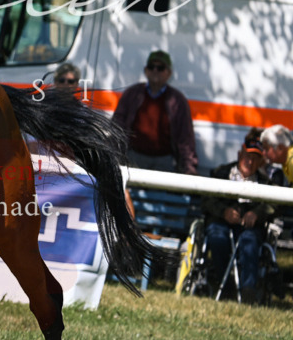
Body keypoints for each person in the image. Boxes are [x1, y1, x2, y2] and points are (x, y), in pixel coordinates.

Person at [202, 129, 275, 302]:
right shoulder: (220, 173)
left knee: (250, 240)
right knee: (217, 236)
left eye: (255, 158)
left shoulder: (265, 182)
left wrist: (257, 213)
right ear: (239, 154)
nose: (250, 161)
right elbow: (206, 200)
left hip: (248, 227)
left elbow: (273, 205)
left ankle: (248, 290)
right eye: (247, 156)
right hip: (221, 222)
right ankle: (225, 286)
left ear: (260, 162)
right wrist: (223, 212)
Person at [111, 50, 198, 175]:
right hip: (134, 158)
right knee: (130, 194)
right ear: (146, 70)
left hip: (165, 161)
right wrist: (113, 157)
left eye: (160, 68)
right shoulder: (132, 94)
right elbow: (117, 126)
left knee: (161, 194)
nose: (155, 71)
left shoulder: (178, 101)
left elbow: (186, 138)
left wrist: (189, 168)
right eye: (151, 67)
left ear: (169, 73)